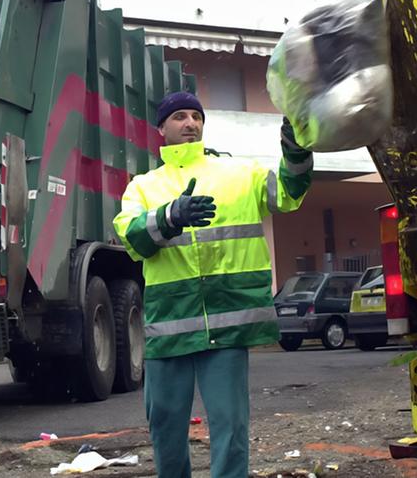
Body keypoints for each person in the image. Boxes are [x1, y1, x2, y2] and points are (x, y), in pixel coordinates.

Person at [114, 92, 313, 478]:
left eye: (196, 117)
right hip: (169, 328)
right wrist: (171, 216)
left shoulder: (240, 174)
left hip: (226, 327)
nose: (190, 123)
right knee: (166, 431)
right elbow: (131, 239)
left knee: (231, 428)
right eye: (179, 117)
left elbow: (289, 194)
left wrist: (296, 148)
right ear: (161, 129)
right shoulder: (143, 186)